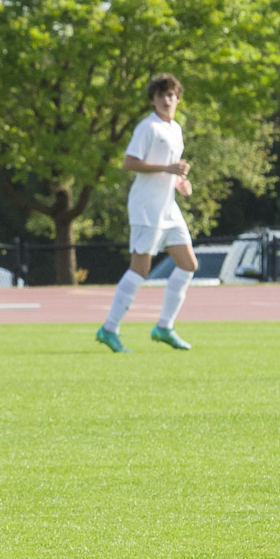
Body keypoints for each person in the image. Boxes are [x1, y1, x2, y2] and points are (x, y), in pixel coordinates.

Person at [97, 73, 198, 353]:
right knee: (140, 269)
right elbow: (129, 163)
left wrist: (180, 182)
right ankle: (109, 329)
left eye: (172, 95)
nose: (168, 99)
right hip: (146, 208)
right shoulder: (148, 127)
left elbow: (171, 168)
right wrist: (167, 169)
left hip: (169, 208)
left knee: (188, 264)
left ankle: (164, 326)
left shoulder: (175, 129)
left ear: (178, 99)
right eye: (162, 95)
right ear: (153, 100)